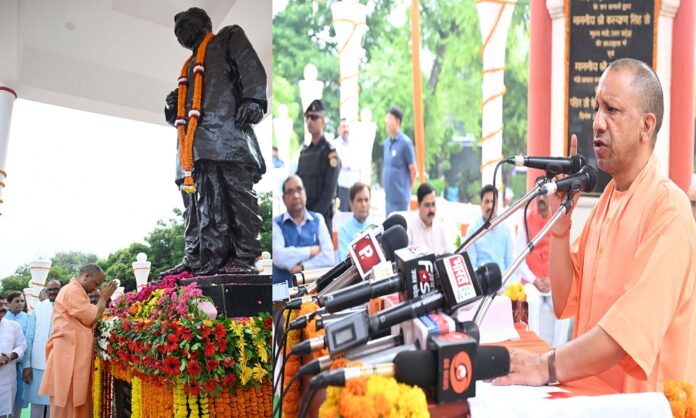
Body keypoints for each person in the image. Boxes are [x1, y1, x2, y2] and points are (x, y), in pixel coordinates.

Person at [494, 58, 696, 393]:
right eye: (597, 108)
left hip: (645, 409)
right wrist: (562, 219)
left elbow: (626, 333)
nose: (597, 124)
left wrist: (545, 365)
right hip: (593, 397)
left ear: (647, 126)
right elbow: (564, 300)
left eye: (612, 111)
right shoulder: (608, 200)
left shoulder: (668, 210)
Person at [162, 7, 267, 276]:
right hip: (192, 150)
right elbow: (179, 116)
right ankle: (196, 258)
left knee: (237, 199)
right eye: (177, 30)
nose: (181, 31)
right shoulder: (187, 70)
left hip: (227, 137)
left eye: (186, 23)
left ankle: (243, 257)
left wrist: (253, 99)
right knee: (195, 206)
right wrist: (173, 106)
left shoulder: (226, 38)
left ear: (205, 23)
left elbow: (250, 67)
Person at [39, 265, 117, 418]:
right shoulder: (73, 291)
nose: (97, 288)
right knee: (69, 402)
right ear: (86, 276)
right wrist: (104, 298)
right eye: (96, 283)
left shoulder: (74, 290)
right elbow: (91, 316)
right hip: (68, 356)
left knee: (73, 401)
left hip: (70, 354)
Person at [515, 184, 571, 347]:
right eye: (537, 194)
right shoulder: (525, 221)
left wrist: (552, 280)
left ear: (550, 196)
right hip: (532, 282)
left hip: (552, 282)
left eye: (543, 194)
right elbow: (519, 259)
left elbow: (563, 255)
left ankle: (558, 351)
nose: (540, 198)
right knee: (532, 300)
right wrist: (534, 280)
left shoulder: (557, 219)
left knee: (566, 304)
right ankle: (537, 350)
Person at [272, 175, 335, 286]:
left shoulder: (318, 219)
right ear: (284, 199)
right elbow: (278, 256)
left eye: (299, 189)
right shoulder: (276, 223)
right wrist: (311, 251)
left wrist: (303, 267)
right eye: (290, 192)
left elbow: (329, 258)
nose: (296, 195)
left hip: (313, 291)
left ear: (305, 192)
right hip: (281, 292)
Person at [296, 99, 340, 232]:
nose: (309, 121)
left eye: (314, 117)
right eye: (307, 117)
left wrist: (312, 218)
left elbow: (329, 192)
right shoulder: (304, 153)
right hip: (302, 216)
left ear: (323, 121)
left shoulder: (330, 153)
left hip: (321, 219)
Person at [22, 280, 61, 418]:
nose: (52, 292)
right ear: (46, 290)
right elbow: (29, 337)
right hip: (38, 365)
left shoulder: (68, 307)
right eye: (50, 289)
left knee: (56, 404)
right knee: (37, 405)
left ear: (61, 289)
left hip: (60, 365)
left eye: (56, 289)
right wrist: (27, 365)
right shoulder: (38, 308)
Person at [465, 184, 514, 272]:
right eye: (487, 201)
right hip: (482, 283)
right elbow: (471, 266)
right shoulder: (472, 230)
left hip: (503, 281)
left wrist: (507, 285)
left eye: (493, 201)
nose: (490, 206)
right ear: (481, 204)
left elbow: (510, 263)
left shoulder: (506, 230)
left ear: (497, 203)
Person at [382, 107, 416, 215]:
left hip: (401, 200)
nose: (387, 122)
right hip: (388, 198)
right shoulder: (387, 143)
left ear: (397, 122)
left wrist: (407, 191)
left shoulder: (405, 143)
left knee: (400, 228)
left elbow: (413, 170)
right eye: (386, 119)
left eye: (390, 119)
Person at [4, 292, 32, 418]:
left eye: (22, 301)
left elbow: (27, 342)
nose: (20, 304)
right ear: (8, 304)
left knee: (19, 396)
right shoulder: (4, 318)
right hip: (4, 364)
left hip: (21, 363)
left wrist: (27, 364)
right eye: (17, 301)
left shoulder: (28, 317)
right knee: (4, 395)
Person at [0, 294, 27, 418]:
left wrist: (9, 357)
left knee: (6, 412)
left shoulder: (14, 326)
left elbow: (22, 345)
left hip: (7, 377)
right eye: (0, 305)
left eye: (5, 304)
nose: (3, 308)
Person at [337, 183, 378, 260]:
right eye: (359, 200)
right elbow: (345, 261)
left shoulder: (377, 226)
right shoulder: (344, 230)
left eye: (366, 200)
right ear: (351, 204)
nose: (363, 204)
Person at [407, 183, 451, 254]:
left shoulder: (441, 228)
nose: (431, 210)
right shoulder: (410, 230)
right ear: (418, 205)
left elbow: (448, 255)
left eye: (433, 204)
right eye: (427, 205)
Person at [333, 118, 358, 212]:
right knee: (342, 215)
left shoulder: (355, 145)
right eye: (343, 126)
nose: (345, 129)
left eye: (347, 127)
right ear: (339, 129)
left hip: (353, 187)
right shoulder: (333, 145)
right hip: (340, 187)